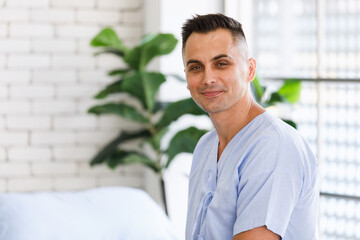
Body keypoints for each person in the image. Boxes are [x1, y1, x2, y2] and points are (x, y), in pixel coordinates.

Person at [181, 13, 319, 240]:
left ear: (250, 70)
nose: (208, 78)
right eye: (196, 67)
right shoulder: (205, 146)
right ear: (187, 78)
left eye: (221, 63)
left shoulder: (272, 146)